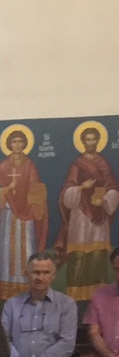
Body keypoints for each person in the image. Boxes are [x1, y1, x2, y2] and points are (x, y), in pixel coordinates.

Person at [57, 126, 119, 300]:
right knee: (78, 254)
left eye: (93, 139)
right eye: (88, 139)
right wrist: (81, 188)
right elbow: (67, 191)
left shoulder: (104, 163)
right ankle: (75, 295)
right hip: (81, 215)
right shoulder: (78, 164)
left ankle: (98, 294)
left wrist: (104, 200)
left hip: (100, 216)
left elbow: (113, 187)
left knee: (99, 254)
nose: (91, 142)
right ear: (83, 142)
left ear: (98, 141)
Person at [0, 129, 47, 300]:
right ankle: (7, 290)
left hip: (27, 217)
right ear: (9, 144)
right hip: (8, 216)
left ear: (25, 144)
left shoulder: (30, 166)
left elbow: (36, 189)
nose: (17, 145)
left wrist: (34, 200)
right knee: (8, 252)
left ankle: (28, 288)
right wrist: (6, 189)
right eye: (14, 141)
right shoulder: (3, 167)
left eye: (20, 141)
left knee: (26, 249)